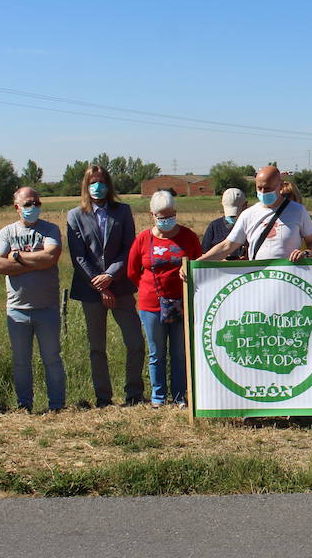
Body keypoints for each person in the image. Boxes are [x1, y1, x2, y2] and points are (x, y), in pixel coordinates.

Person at [67, 164, 145, 407]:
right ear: (85, 186)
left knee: (135, 342)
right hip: (91, 291)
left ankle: (133, 394)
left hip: (120, 286)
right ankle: (103, 398)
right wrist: (100, 286)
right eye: (92, 182)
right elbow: (78, 256)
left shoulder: (122, 211)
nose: (97, 187)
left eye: (101, 181)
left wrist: (110, 276)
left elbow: (128, 248)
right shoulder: (75, 216)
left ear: (108, 185)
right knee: (97, 347)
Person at [0, 186, 67, 413]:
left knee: (52, 360)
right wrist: (35, 262)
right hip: (17, 309)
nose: (33, 207)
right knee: (21, 362)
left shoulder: (50, 229)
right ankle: (24, 406)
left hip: (47, 308)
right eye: (27, 204)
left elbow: (51, 258)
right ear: (17, 208)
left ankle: (57, 406)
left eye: (36, 203)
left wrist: (17, 258)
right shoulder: (6, 233)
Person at [127, 190, 202, 407]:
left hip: (183, 303)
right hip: (151, 305)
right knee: (156, 353)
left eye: (169, 215)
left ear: (175, 213)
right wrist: (145, 290)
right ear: (152, 215)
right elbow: (132, 271)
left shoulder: (188, 237)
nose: (166, 220)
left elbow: (199, 264)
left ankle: (180, 395)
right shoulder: (143, 239)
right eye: (161, 216)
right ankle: (158, 396)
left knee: (179, 353)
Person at [200, 165, 312, 262]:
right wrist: (197, 263)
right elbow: (227, 246)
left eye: (268, 188)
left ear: (280, 186)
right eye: (259, 188)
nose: (263, 192)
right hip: (259, 281)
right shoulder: (248, 215)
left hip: (289, 279)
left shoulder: (298, 211)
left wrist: (306, 253)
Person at [201, 188, 247, 260]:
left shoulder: (251, 226)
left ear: (245, 205)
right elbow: (204, 254)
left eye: (235, 215)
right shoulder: (214, 226)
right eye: (231, 215)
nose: (233, 217)